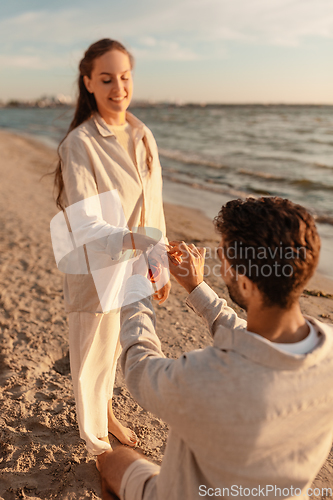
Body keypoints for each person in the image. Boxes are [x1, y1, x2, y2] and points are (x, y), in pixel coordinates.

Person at [99, 197, 333, 500]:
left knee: (113, 460)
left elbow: (139, 365)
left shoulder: (208, 376)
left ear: (246, 284)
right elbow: (251, 337)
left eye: (224, 257)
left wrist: (136, 287)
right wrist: (196, 286)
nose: (220, 263)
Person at [53, 38, 171, 459]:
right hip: (95, 262)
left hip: (137, 261)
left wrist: (161, 263)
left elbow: (153, 203)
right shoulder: (79, 144)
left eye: (124, 77)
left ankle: (106, 410)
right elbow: (86, 223)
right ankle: (97, 443)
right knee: (92, 352)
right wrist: (147, 245)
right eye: (106, 79)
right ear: (88, 83)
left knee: (118, 343)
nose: (118, 87)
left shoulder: (142, 133)